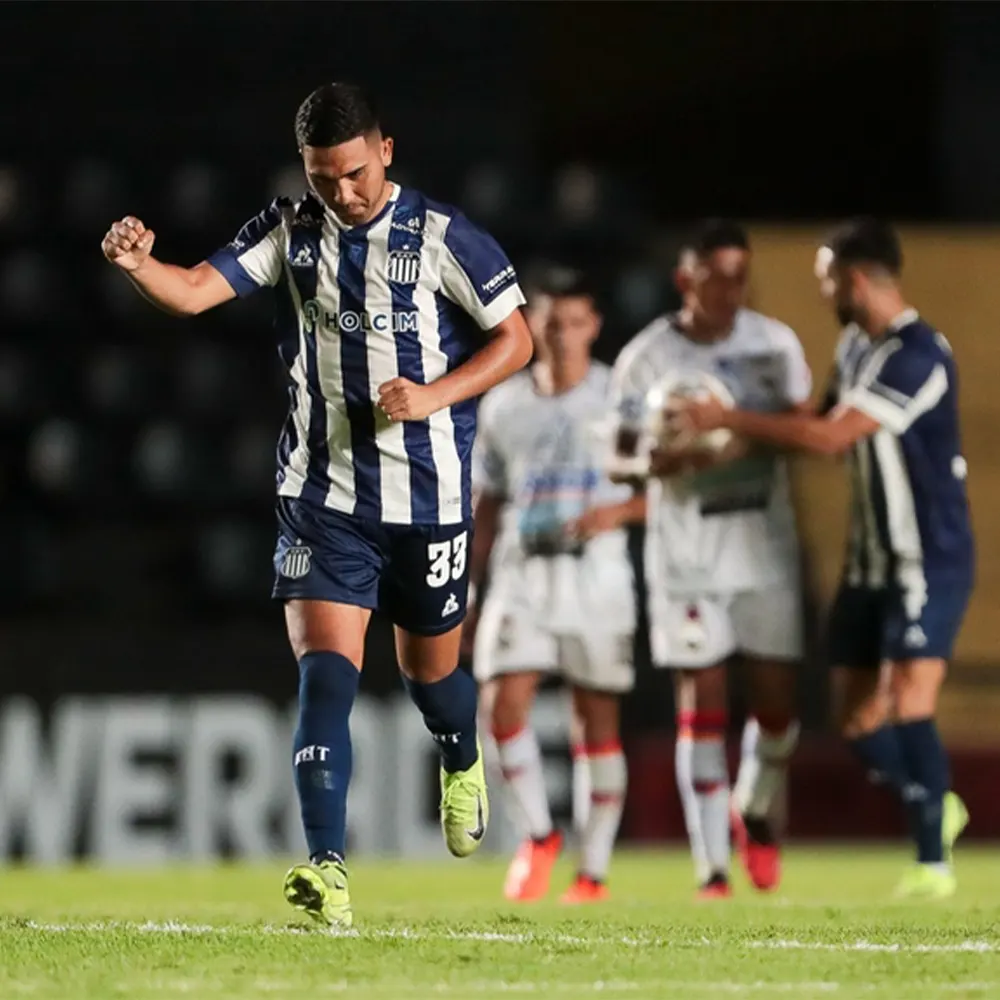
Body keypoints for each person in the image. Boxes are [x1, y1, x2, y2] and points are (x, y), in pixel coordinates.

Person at [100, 82, 533, 928]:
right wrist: (136, 265)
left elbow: (516, 339)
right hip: (321, 496)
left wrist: (435, 394)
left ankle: (460, 750)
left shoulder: (444, 236)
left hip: (429, 497)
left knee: (429, 676)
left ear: (386, 150)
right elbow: (193, 290)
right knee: (324, 679)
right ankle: (327, 872)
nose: (342, 193)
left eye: (354, 174)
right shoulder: (289, 231)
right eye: (323, 177)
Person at [679, 217, 973, 899]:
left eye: (827, 280)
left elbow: (832, 437)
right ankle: (932, 796)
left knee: (909, 706)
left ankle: (932, 860)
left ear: (857, 279)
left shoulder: (919, 354)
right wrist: (725, 449)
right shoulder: (854, 346)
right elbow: (815, 419)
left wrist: (730, 420)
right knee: (855, 721)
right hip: (868, 563)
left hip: (927, 561)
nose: (823, 293)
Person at [601, 219, 808, 898]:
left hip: (763, 545)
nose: (728, 289)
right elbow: (617, 457)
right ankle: (712, 867)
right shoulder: (647, 358)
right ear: (684, 279)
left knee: (777, 707)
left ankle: (754, 806)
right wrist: (669, 456)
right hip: (686, 552)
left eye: (738, 276)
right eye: (713, 276)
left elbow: (806, 429)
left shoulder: (773, 346)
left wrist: (738, 433)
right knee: (704, 701)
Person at [464, 270, 635, 903]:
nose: (562, 333)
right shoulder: (504, 404)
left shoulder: (621, 396)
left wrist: (613, 514)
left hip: (598, 575)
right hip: (523, 570)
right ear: (532, 325)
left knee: (597, 724)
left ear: (594, 326)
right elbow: (488, 505)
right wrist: (473, 590)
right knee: (501, 705)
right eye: (550, 321)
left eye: (574, 321)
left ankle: (592, 873)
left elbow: (660, 493)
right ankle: (538, 835)